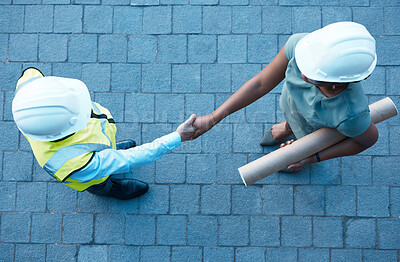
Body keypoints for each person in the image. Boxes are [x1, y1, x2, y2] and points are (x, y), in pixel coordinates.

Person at [191, 21, 379, 172]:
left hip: (317, 130)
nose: (303, 74)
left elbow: (367, 141)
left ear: (337, 82)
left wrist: (311, 158)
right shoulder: (300, 47)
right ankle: (288, 127)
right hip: (293, 106)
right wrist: (213, 118)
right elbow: (260, 84)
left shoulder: (351, 115)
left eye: (314, 75)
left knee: (302, 142)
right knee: (293, 114)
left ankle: (298, 147)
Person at [12, 68, 196, 200]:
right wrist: (178, 136)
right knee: (101, 183)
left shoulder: (31, 94)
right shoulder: (74, 163)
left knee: (108, 153)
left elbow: (31, 74)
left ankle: (111, 150)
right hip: (93, 174)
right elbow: (132, 158)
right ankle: (113, 189)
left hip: (97, 147)